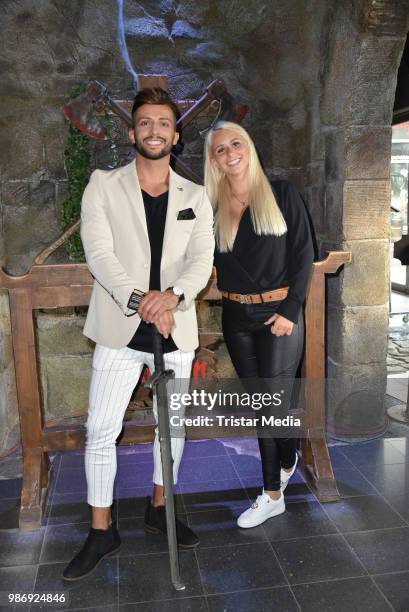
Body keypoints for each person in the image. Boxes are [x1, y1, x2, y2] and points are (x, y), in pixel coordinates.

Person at [63, 87, 214, 580]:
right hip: (119, 327)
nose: (154, 130)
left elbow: (201, 261)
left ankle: (158, 508)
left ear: (176, 134)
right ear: (132, 132)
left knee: (171, 428)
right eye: (145, 122)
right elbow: (100, 256)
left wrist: (171, 298)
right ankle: (102, 530)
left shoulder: (196, 196)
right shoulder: (103, 186)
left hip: (177, 326)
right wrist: (141, 303)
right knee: (101, 430)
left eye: (164, 124)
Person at [204, 121, 314, 528]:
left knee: (270, 408)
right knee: (263, 407)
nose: (230, 152)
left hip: (278, 317)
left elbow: (303, 255)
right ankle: (287, 457)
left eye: (236, 144)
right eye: (220, 149)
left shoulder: (282, 194)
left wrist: (291, 309)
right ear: (213, 160)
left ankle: (271, 494)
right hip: (235, 316)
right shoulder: (210, 206)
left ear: (249, 148)